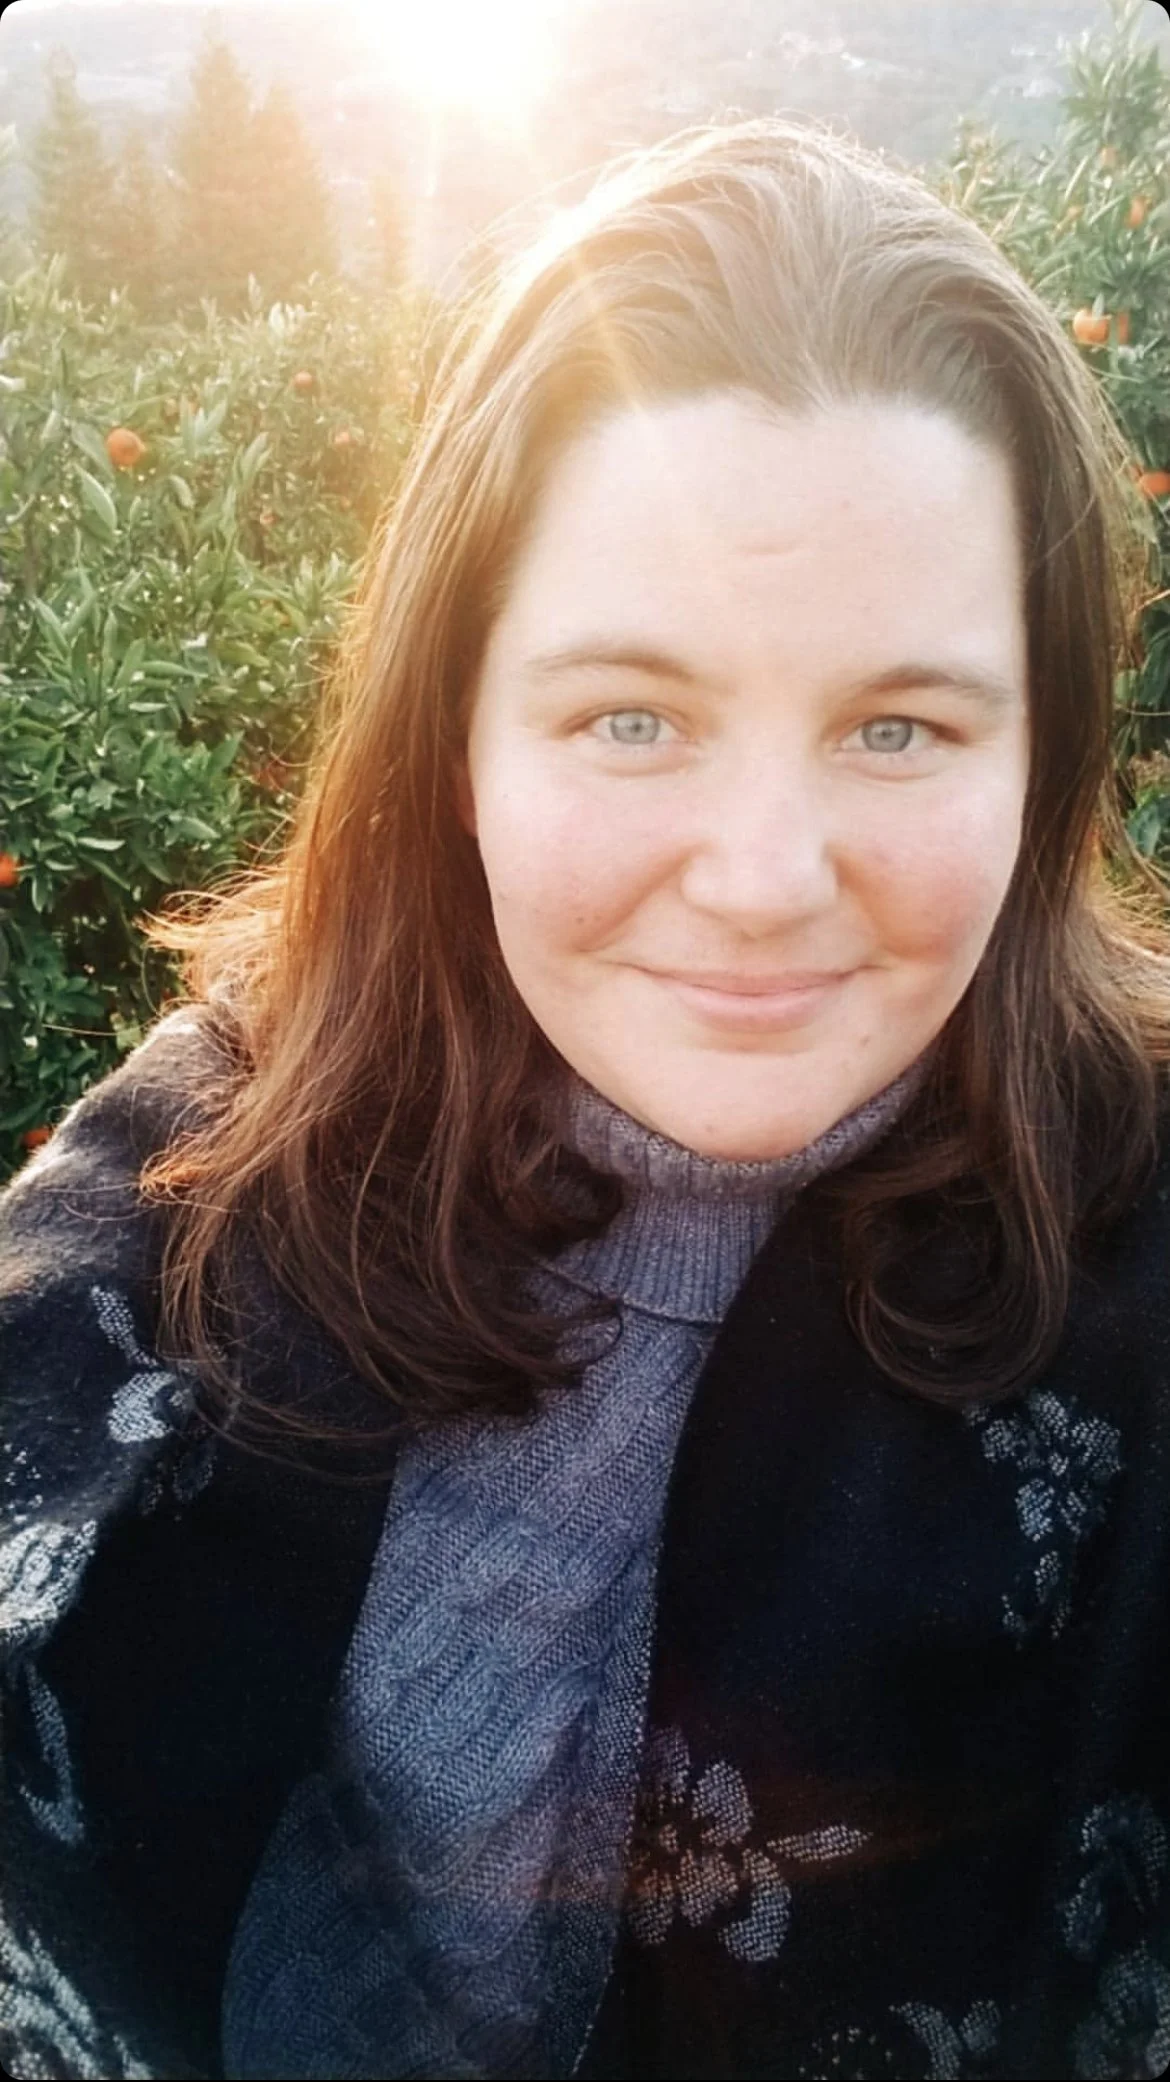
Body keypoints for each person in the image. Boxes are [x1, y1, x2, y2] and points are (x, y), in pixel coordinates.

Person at [3, 112, 1170, 2082]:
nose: (761, 877)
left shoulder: (1132, 1270)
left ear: (1040, 761)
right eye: (634, 717)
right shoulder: (206, 1174)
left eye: (900, 726)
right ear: (461, 733)